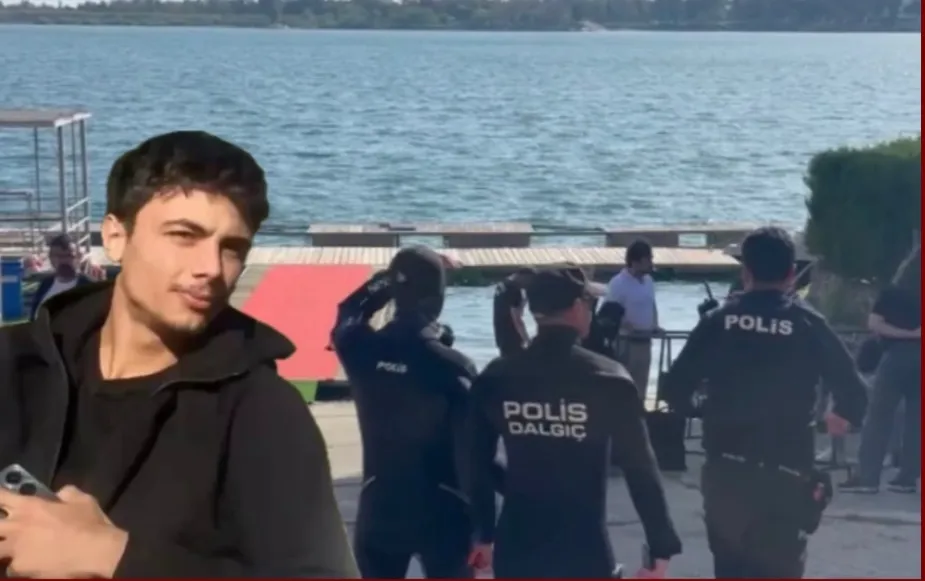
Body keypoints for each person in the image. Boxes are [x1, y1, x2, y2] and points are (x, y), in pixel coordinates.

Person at [0, 131, 357, 578]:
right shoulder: (14, 364)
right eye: (184, 235)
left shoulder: (261, 414)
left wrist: (112, 557)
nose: (211, 268)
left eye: (232, 248)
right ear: (115, 236)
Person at [661, 226, 868, 579]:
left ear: (746, 272)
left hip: (727, 470)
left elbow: (674, 389)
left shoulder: (718, 321)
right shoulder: (807, 322)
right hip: (786, 472)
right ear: (791, 274)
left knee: (730, 568)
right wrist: (838, 417)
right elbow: (855, 392)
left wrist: (705, 410)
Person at [466, 266, 681, 579]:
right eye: (590, 303)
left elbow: (473, 461)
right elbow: (640, 468)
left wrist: (484, 530)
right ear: (578, 307)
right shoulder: (608, 379)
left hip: (518, 543)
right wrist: (661, 545)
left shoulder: (496, 377)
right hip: (584, 548)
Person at [331, 246, 478, 579]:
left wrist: (390, 279)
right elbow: (475, 451)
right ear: (438, 297)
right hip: (444, 511)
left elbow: (349, 309)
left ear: (396, 293)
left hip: (380, 505)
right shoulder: (451, 366)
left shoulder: (357, 347)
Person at [840, 244, 921, 494]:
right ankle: (908, 477)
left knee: (878, 416)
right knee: (916, 420)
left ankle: (868, 477)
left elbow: (875, 324)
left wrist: (908, 334)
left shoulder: (892, 293)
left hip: (896, 356)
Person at [602, 239, 663, 398]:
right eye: (648, 259)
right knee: (624, 387)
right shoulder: (618, 283)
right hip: (626, 344)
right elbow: (609, 313)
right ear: (636, 261)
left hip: (645, 342)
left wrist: (655, 325)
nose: (651, 263)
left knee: (641, 387)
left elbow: (652, 304)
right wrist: (625, 325)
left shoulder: (649, 281)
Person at [29, 234, 94, 320]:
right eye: (59, 256)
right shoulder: (45, 285)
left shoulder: (90, 288)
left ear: (78, 257)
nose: (64, 261)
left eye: (69, 256)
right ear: (51, 259)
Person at [492, 268, 535, 357]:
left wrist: (522, 302)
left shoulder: (502, 285)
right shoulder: (514, 290)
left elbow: (507, 308)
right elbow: (517, 319)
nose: (528, 284)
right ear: (523, 276)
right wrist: (527, 340)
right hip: (512, 336)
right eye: (529, 281)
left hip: (500, 333)